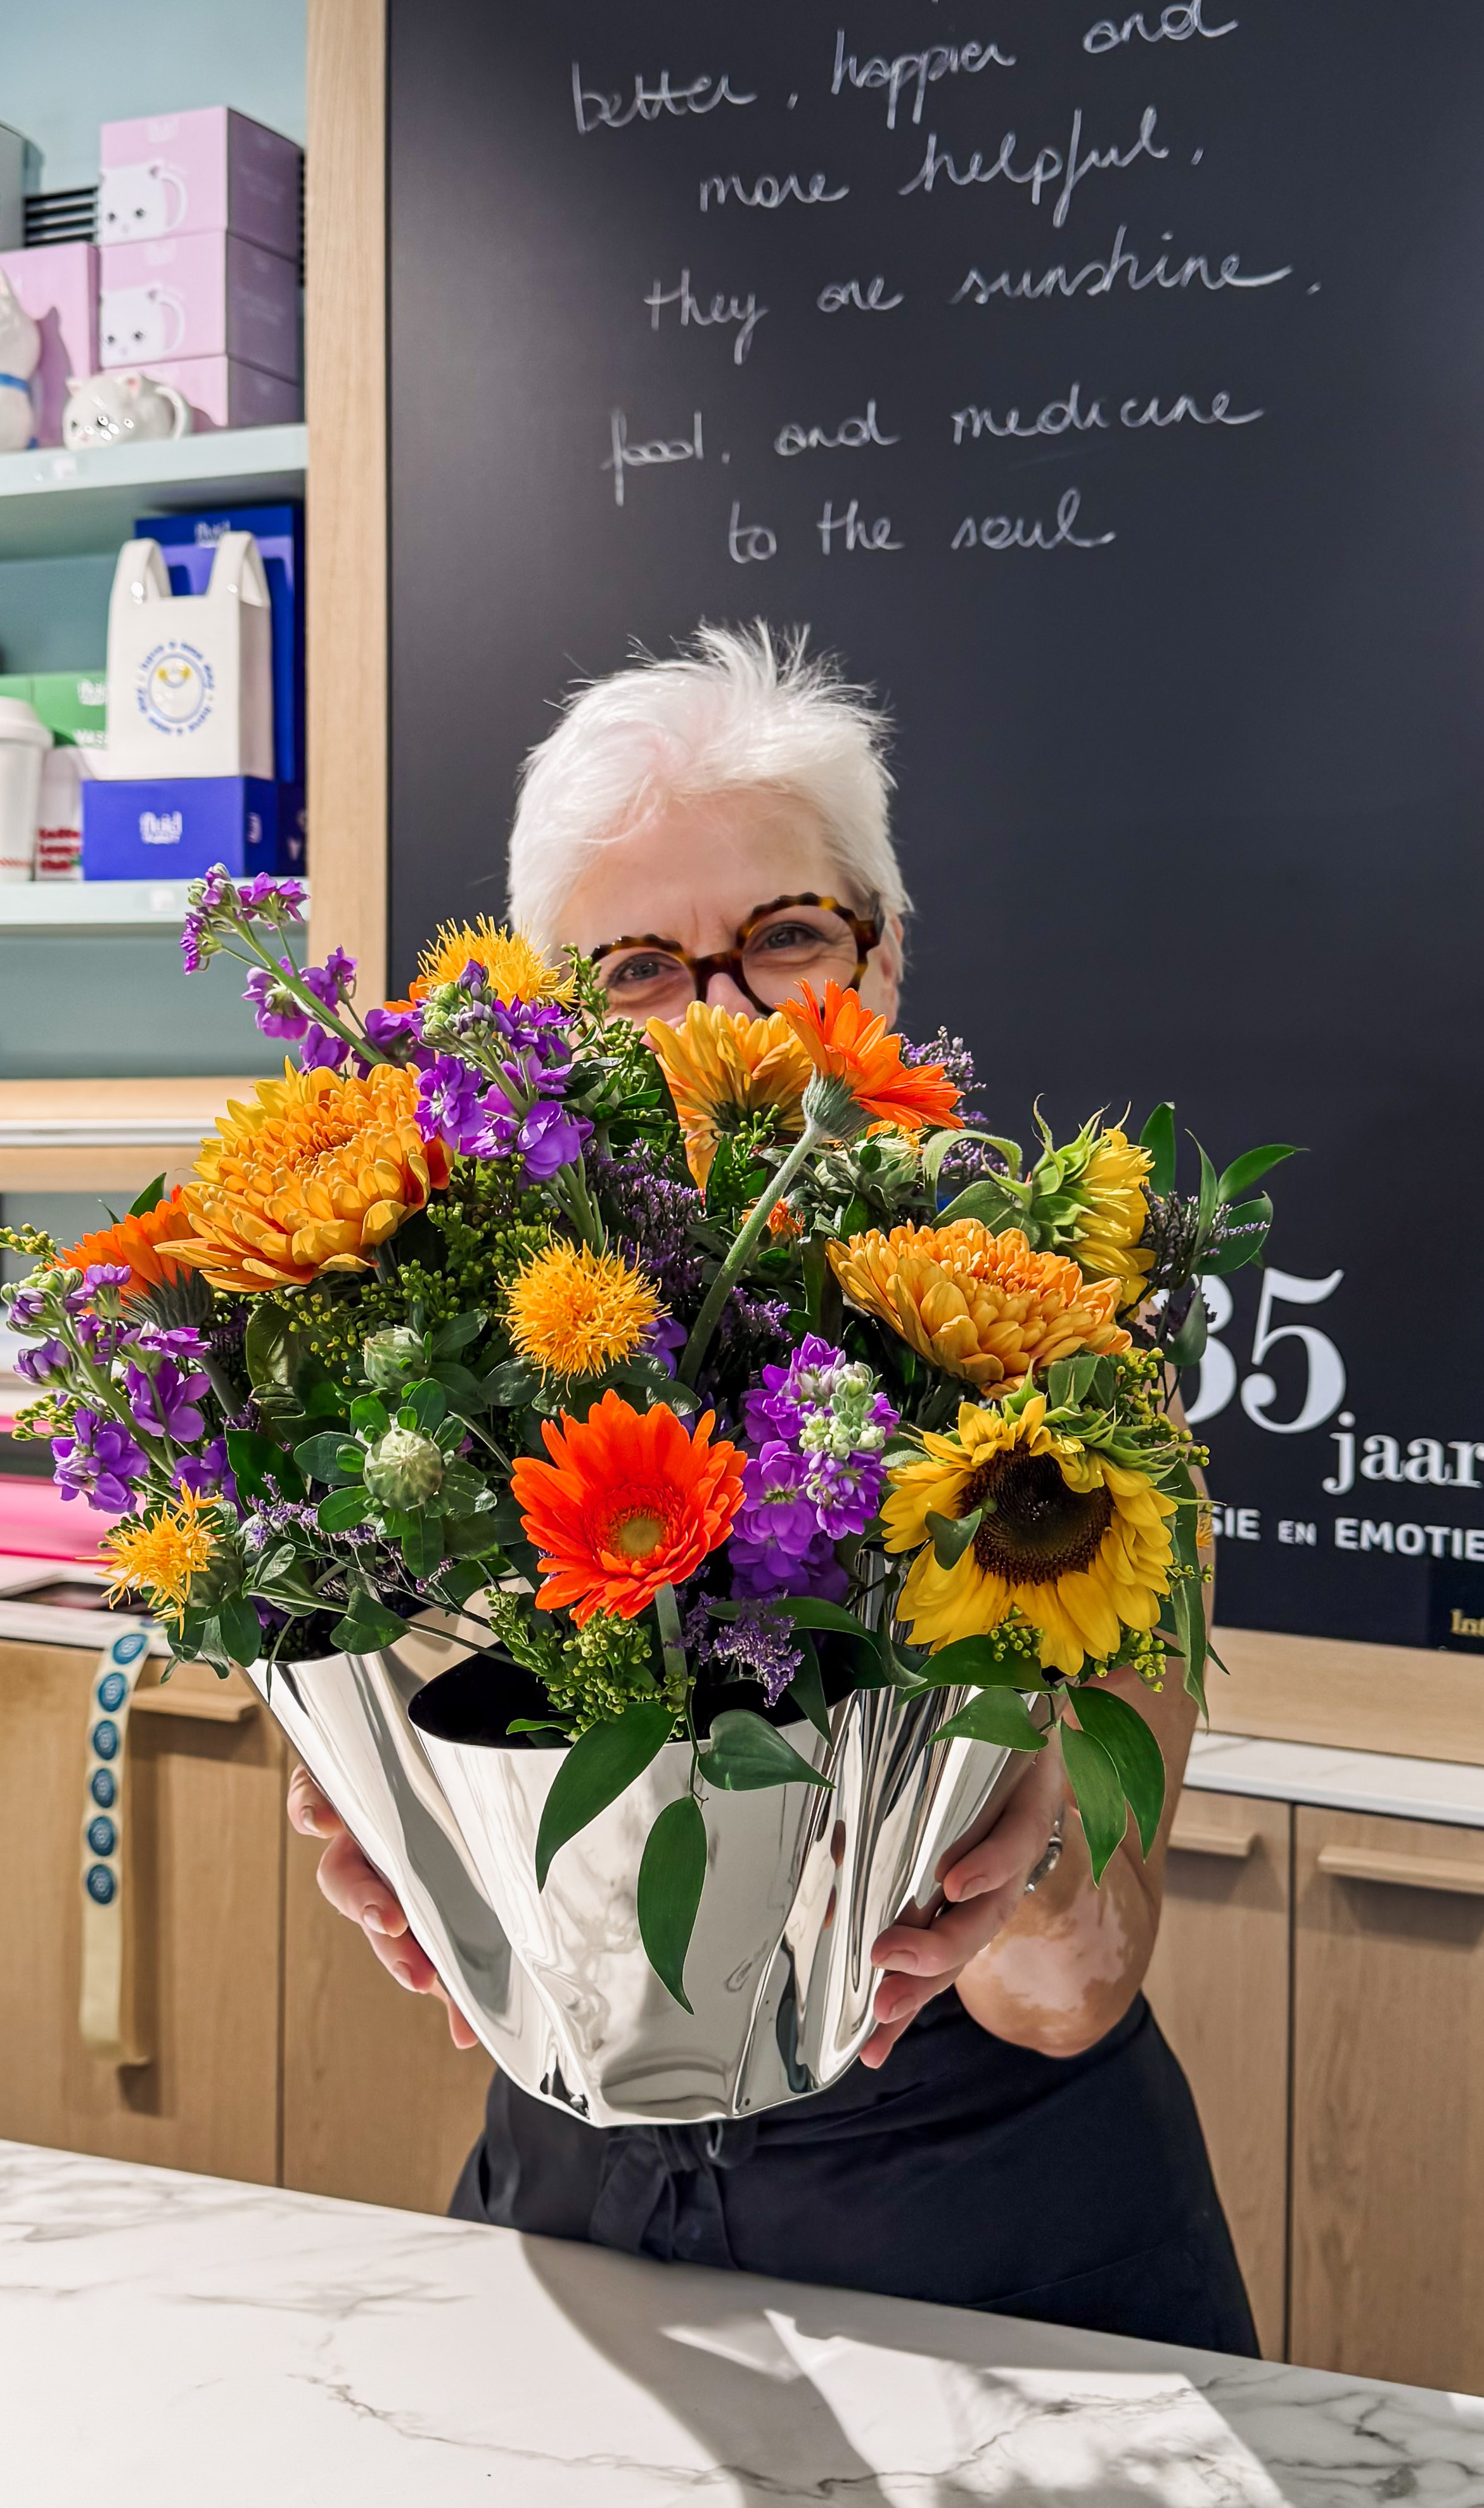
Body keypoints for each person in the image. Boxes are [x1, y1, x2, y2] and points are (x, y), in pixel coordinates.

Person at [288, 626, 1257, 2353]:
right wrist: (401, 1831)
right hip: (575, 2205)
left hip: (993, 2258)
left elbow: (1083, 1976)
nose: (724, 1013)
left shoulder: (1059, 1358)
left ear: (880, 968)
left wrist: (1013, 1849)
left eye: (786, 937)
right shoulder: (461, 1348)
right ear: (544, 1020)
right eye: (637, 966)